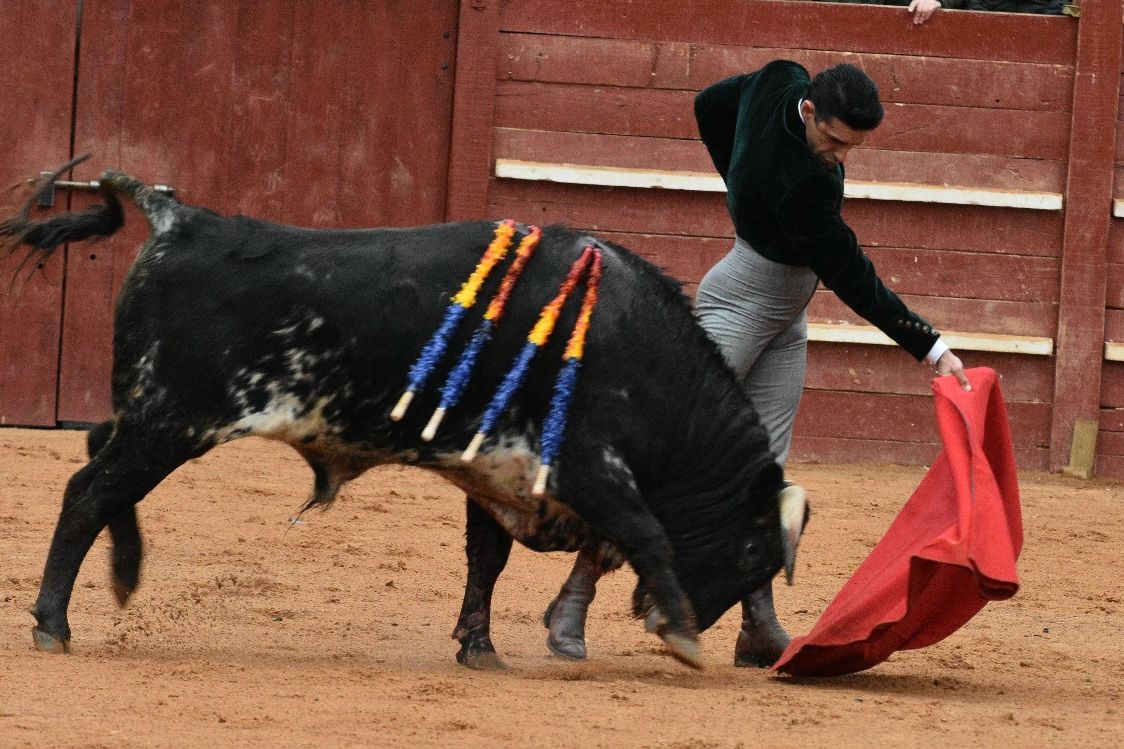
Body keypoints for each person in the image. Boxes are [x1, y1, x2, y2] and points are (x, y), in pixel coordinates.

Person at [542, 61, 972, 667]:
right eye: (835, 141)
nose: (841, 157)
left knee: (764, 472)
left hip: (784, 318)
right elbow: (853, 277)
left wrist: (740, 186)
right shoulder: (805, 185)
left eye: (853, 146)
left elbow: (709, 105)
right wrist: (931, 346)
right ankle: (574, 596)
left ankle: (758, 624)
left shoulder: (780, 78)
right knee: (663, 452)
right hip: (741, 303)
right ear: (810, 112)